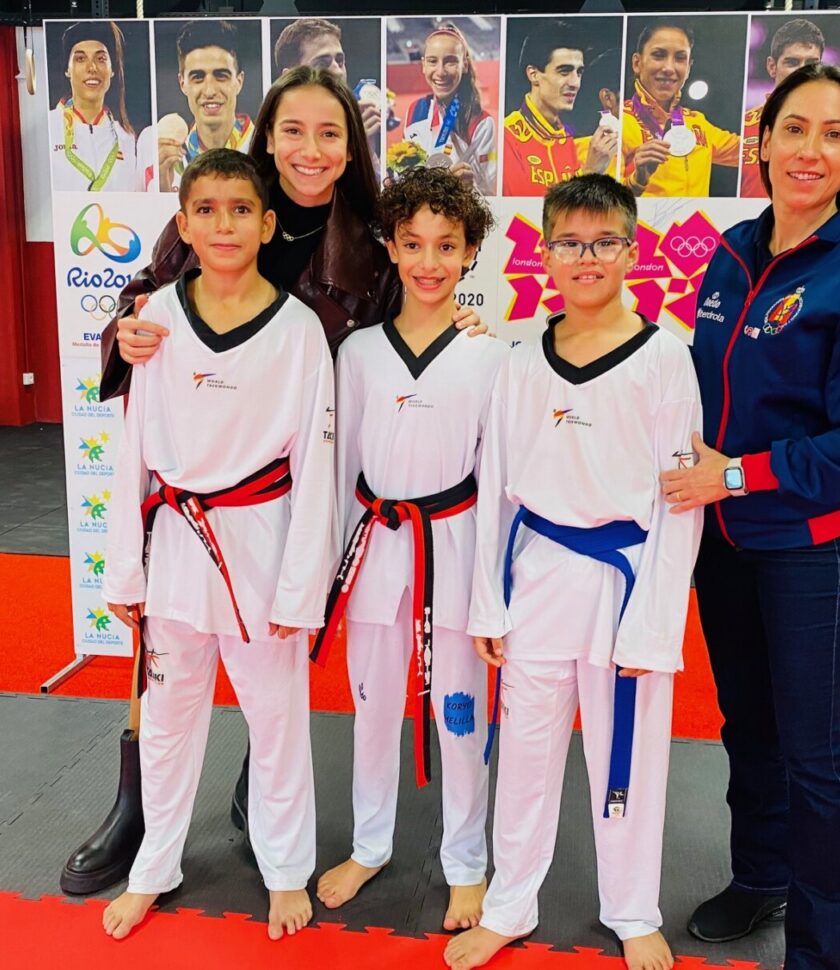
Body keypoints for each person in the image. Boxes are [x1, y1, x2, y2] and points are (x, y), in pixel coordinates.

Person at [59, 67, 484, 897]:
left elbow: (409, 323)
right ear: (268, 136)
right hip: (192, 486)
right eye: (293, 130)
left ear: (351, 148)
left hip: (291, 481)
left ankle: (268, 810)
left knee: (273, 676)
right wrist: (125, 332)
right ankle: (138, 810)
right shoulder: (222, 202)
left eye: (330, 133)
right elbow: (144, 300)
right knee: (167, 673)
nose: (310, 149)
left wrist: (457, 321)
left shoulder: (371, 239)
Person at [660, 64, 840, 969]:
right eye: (795, 129)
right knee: (748, 729)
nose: (810, 150)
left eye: (834, 134)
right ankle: (761, 874)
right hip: (724, 542)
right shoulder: (732, 253)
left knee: (813, 754)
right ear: (763, 141)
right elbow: (698, 386)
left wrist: (736, 475)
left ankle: (823, 949)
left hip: (810, 550)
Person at [446, 174, 703, 970]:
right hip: (537, 578)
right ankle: (509, 904)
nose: (586, 258)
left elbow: (681, 501)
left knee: (631, 754)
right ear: (545, 254)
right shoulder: (521, 362)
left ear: (632, 251)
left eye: (604, 242)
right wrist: (487, 604)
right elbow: (495, 488)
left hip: (626, 582)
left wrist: (656, 624)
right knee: (525, 752)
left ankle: (632, 908)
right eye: (569, 243)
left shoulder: (666, 359)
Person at [98, 148, 336, 942]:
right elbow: (132, 449)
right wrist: (124, 568)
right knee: (167, 718)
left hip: (262, 545)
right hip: (174, 545)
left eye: (240, 210)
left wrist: (302, 587)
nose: (224, 224)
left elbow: (317, 468)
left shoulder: (299, 331)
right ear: (184, 223)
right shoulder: (154, 320)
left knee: (276, 719)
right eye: (206, 209)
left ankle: (285, 868)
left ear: (267, 225)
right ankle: (153, 866)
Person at [312, 167, 505, 932]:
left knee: (462, 717)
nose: (429, 261)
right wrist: (326, 574)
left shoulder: (493, 358)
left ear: (470, 252)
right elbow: (338, 471)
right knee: (370, 711)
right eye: (414, 243)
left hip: (453, 552)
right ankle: (370, 844)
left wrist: (492, 592)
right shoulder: (358, 353)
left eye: (446, 246)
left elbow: (499, 484)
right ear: (390, 248)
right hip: (373, 554)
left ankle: (466, 863)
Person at [621, 23, 739, 198]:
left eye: (680, 58)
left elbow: (752, 150)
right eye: (659, 55)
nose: (669, 68)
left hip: (697, 217)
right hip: (639, 217)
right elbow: (598, 202)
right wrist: (637, 181)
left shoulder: (697, 122)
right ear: (637, 63)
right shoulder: (618, 124)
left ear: (689, 67)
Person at [502, 22, 617, 196]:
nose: (575, 83)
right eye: (564, 72)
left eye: (579, 72)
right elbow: (521, 211)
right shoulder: (506, 136)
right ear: (534, 74)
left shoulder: (568, 140)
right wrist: (590, 172)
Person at [274, 18, 383, 181]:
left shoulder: (367, 128)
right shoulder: (276, 142)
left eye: (340, 61)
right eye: (322, 64)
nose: (338, 72)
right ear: (290, 77)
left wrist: (365, 151)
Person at [158, 20, 253, 192]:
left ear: (239, 81)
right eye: (198, 77)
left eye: (221, 75)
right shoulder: (166, 165)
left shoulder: (266, 151)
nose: (209, 91)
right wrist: (163, 195)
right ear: (182, 83)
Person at [401, 23, 497, 195]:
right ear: (423, 65)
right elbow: (405, 174)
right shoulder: (415, 110)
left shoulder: (481, 123)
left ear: (465, 65)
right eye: (432, 61)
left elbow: (489, 194)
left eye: (450, 61)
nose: (440, 72)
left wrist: (466, 189)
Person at [49, 21, 144, 192]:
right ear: (67, 70)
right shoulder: (48, 128)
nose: (92, 68)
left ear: (112, 70)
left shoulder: (127, 139)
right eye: (80, 59)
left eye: (101, 59)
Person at [741, 19, 825, 198]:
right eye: (792, 62)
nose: (802, 72)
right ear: (772, 67)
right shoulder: (742, 128)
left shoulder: (835, 131)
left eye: (811, 64)